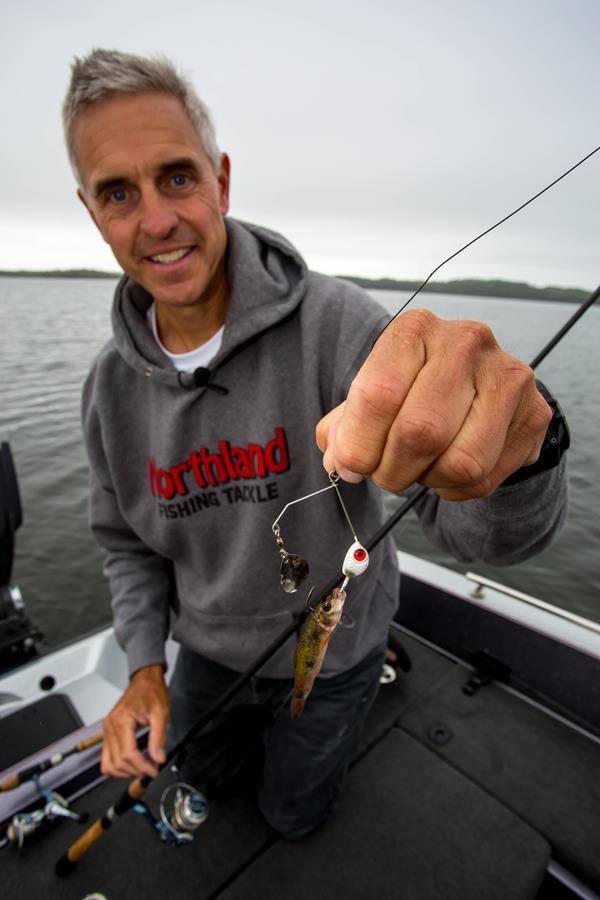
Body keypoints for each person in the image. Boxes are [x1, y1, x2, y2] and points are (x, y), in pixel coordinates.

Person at [62, 48, 568, 840]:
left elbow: (478, 534)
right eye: (118, 193)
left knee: (294, 812)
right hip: (205, 657)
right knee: (200, 777)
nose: (156, 219)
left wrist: (522, 451)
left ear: (221, 180)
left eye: (177, 176)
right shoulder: (107, 391)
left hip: (339, 654)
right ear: (92, 214)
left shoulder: (341, 328)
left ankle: (336, 739)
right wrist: (143, 666)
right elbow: (126, 547)